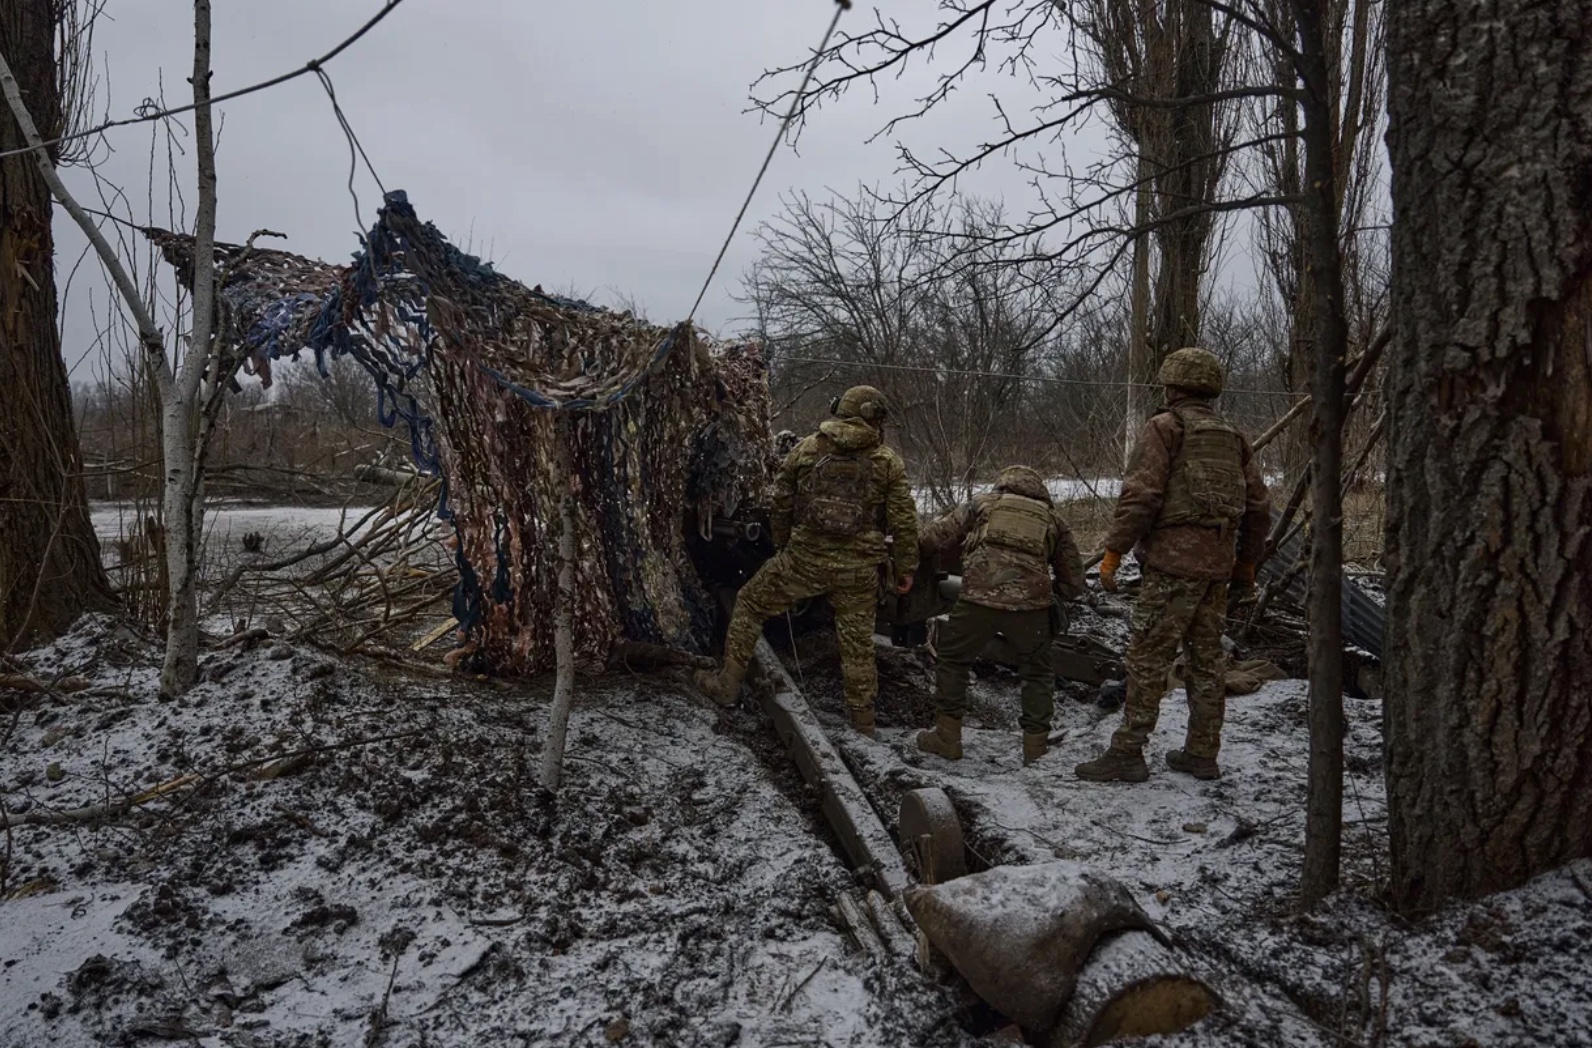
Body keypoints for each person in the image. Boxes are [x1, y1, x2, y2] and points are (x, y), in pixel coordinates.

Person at [1075, 347, 1271, 782]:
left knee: (1147, 658)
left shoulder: (1165, 428)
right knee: (1207, 662)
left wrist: (1113, 553)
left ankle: (1127, 752)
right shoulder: (1234, 436)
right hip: (1217, 570)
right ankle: (1201, 753)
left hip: (1170, 567)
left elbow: (1141, 495)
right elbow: (1258, 507)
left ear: (1172, 385)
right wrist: (1245, 566)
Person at [695, 385, 918, 736]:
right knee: (858, 648)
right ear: (874, 418)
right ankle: (864, 724)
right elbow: (904, 521)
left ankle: (727, 685)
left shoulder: (807, 449)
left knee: (749, 604)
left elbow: (780, 501)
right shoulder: (887, 461)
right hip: (858, 572)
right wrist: (905, 569)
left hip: (804, 562)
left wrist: (785, 548)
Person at [915, 465, 1086, 765]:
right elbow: (1074, 583)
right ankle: (1035, 750)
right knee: (1036, 673)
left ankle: (947, 737)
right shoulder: (1053, 520)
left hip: (977, 601)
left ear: (1003, 484)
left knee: (953, 659)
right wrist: (1050, 593)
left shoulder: (982, 503)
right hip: (1030, 608)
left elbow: (934, 537)